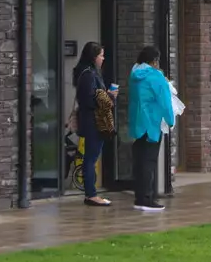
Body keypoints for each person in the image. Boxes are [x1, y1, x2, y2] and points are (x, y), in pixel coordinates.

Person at [126, 45, 174, 212]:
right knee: (149, 162)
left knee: (140, 161)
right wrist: (171, 120)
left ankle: (139, 197)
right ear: (155, 61)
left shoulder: (134, 75)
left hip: (138, 123)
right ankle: (147, 198)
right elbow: (165, 101)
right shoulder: (156, 76)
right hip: (152, 124)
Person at [72, 42, 116, 206]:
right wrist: (109, 97)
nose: (103, 58)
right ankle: (91, 194)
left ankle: (91, 193)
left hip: (89, 119)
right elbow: (91, 99)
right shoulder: (89, 74)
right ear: (93, 57)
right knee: (91, 158)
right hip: (94, 121)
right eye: (101, 55)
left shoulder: (84, 72)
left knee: (90, 157)